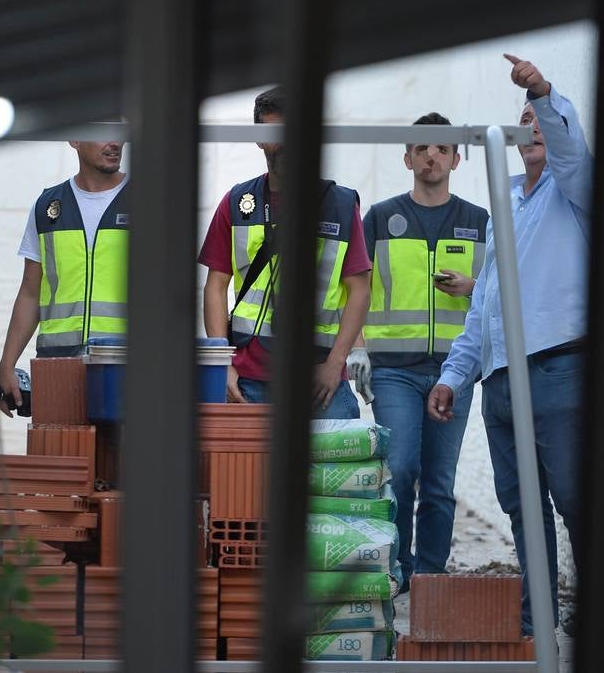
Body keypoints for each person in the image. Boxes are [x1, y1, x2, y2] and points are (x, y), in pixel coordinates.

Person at [426, 54, 591, 635]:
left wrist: (542, 91)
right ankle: (537, 617)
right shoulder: (507, 208)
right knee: (524, 508)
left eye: (540, 120)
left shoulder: (574, 194)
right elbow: (485, 308)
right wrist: (454, 374)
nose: (533, 128)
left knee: (574, 496)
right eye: (525, 121)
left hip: (557, 372)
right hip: (500, 382)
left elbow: (571, 152)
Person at [350, 112, 490, 591]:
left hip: (455, 370)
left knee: (438, 482)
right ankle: (400, 569)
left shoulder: (477, 221)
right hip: (393, 370)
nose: (432, 155)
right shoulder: (379, 217)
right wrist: (359, 350)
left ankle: (431, 575)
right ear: (407, 156)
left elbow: (499, 294)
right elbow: (357, 288)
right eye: (422, 147)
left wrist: (473, 286)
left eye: (442, 148)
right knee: (403, 466)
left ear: (456, 158)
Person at [199, 87, 370, 419]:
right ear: (259, 139)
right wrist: (221, 366)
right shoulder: (236, 204)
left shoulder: (340, 204)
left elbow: (359, 290)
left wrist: (337, 364)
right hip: (248, 377)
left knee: (327, 471)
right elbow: (215, 287)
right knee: (243, 471)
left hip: (320, 375)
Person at [0, 139, 128, 416]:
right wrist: (7, 365)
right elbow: (31, 291)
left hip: (127, 368)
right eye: (103, 131)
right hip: (57, 366)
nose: (115, 141)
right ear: (75, 139)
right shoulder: (47, 206)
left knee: (127, 460)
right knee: (60, 456)